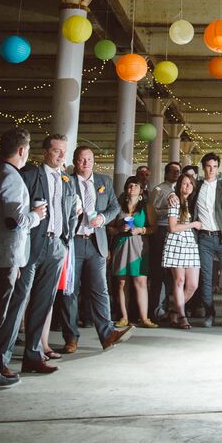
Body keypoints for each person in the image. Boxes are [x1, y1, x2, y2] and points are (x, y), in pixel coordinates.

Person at [0, 134, 80, 375]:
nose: (61, 155)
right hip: (31, 246)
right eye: (56, 151)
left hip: (56, 246)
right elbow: (16, 213)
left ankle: (33, 355)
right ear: (45, 152)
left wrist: (66, 238)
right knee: (19, 302)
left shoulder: (66, 179)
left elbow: (71, 210)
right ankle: (0, 359)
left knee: (44, 302)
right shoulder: (29, 176)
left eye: (64, 151)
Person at [0, 128, 39, 402]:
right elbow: (13, 221)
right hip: (2, 258)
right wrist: (36, 215)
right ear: (23, 150)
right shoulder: (11, 178)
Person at [59, 146, 133, 354]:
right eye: (82, 160)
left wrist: (103, 218)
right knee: (70, 291)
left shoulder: (103, 182)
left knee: (100, 289)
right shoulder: (67, 181)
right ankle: (71, 337)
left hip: (95, 242)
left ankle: (107, 333)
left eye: (89, 159)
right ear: (75, 161)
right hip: (73, 241)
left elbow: (114, 207)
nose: (86, 163)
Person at [185, 153, 222, 328]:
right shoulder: (197, 187)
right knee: (206, 278)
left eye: (215, 166)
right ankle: (209, 314)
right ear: (203, 167)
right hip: (203, 239)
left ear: (218, 167)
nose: (211, 170)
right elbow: (183, 193)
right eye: (208, 166)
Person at [110, 177, 157, 328]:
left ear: (141, 190)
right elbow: (108, 227)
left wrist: (141, 229)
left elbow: (154, 227)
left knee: (140, 281)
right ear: (126, 189)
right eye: (129, 186)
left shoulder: (146, 207)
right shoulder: (118, 207)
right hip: (121, 245)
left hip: (139, 246)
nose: (132, 188)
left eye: (136, 186)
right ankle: (123, 317)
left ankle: (144, 317)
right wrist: (118, 229)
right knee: (122, 282)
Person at [161, 172, 201, 328]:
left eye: (190, 184)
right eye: (184, 183)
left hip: (190, 244)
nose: (187, 186)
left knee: (192, 285)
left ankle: (173, 310)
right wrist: (193, 225)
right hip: (176, 242)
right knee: (179, 281)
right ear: (179, 185)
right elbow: (172, 227)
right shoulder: (175, 200)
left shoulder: (189, 201)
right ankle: (182, 317)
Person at [148, 161, 181, 323]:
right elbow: (152, 211)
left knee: (173, 274)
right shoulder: (159, 189)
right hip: (162, 231)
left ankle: (169, 308)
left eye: (178, 172)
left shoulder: (182, 189)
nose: (176, 174)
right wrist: (170, 211)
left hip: (177, 233)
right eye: (173, 171)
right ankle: (155, 310)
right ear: (166, 173)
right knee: (159, 273)